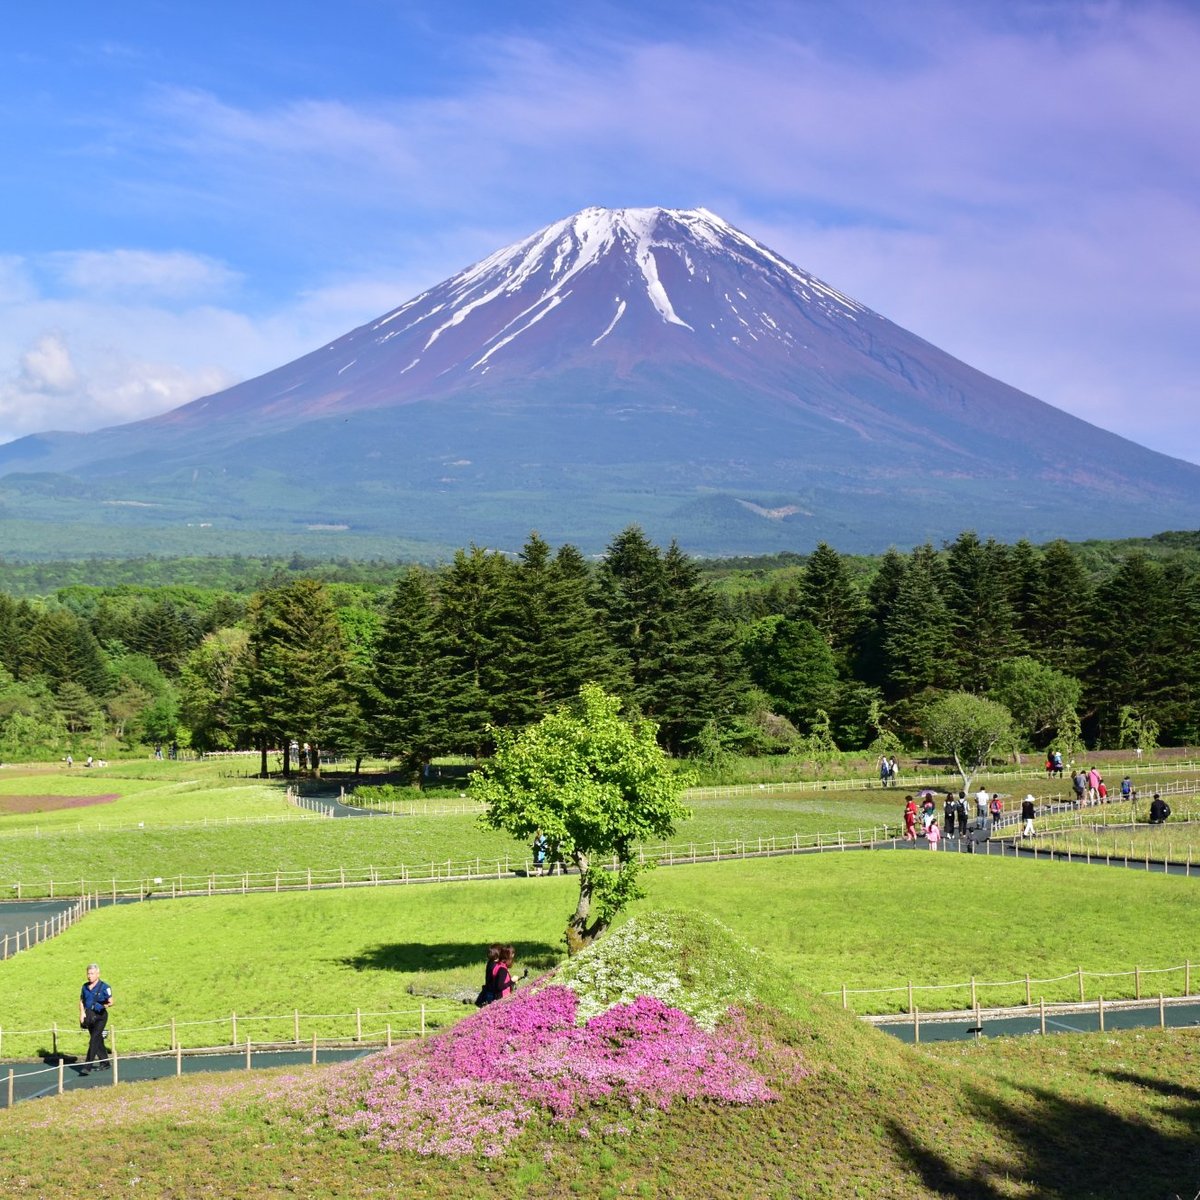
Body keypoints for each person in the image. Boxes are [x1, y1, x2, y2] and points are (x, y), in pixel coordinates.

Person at [78, 962, 113, 1071]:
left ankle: (87, 1066)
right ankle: (105, 1062)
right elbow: (81, 1001)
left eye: (92, 973)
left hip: (101, 1016)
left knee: (93, 1040)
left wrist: (104, 1005)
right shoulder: (84, 987)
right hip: (89, 1016)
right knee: (97, 1040)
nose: (89, 976)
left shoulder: (105, 987)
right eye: (88, 973)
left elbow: (111, 1001)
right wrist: (82, 1013)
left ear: (98, 974)